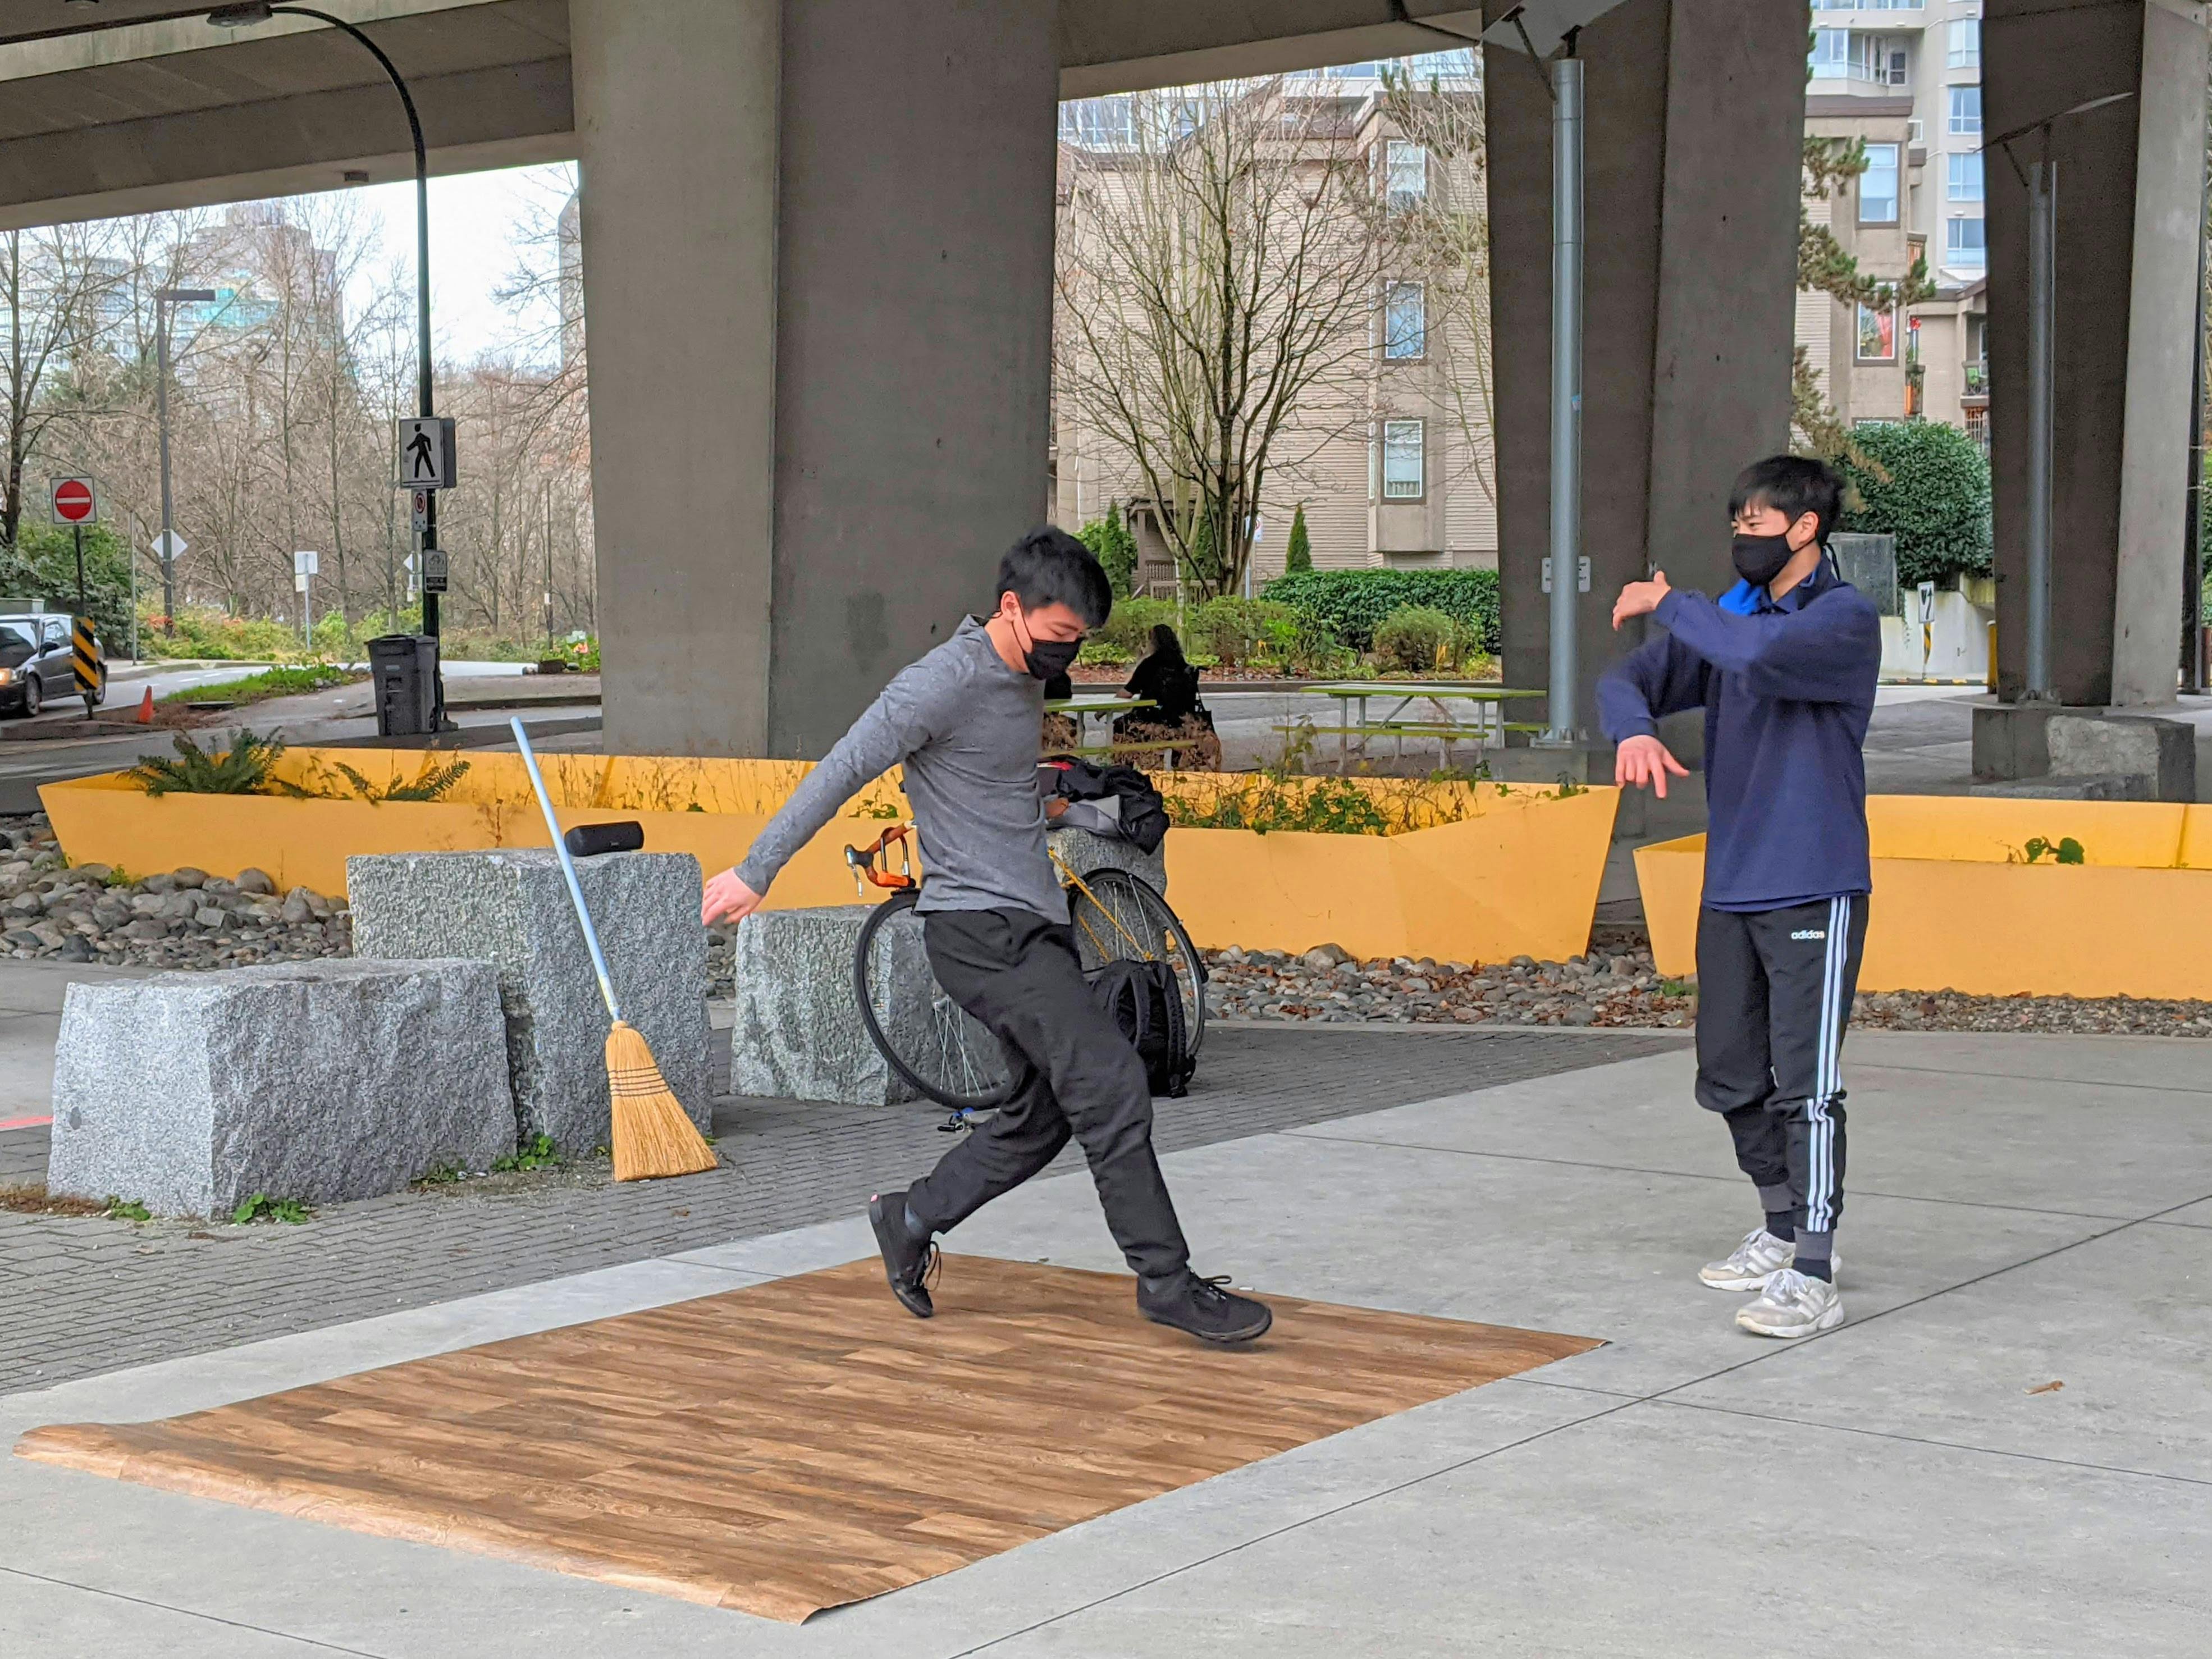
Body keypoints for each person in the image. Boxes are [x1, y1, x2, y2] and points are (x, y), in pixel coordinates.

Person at [701, 528, 1271, 1345]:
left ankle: (910, 1217)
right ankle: (1166, 1282)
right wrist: (758, 869)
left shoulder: (1020, 674)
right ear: (1012, 609)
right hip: (976, 931)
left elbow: (987, 779)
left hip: (1032, 923)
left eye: (1078, 645)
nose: (1065, 661)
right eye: (1058, 641)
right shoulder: (940, 683)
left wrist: (1059, 803)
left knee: (1043, 1115)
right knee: (1109, 1079)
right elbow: (843, 766)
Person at [1598, 455, 1881, 1340]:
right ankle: (1778, 1220)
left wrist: (1670, 603)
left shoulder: (1841, 620)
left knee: (1808, 1085)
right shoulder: (1732, 617)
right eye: (1734, 524)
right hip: (1733, 886)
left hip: (1814, 880)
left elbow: (1751, 653)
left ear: (1806, 529)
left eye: (1755, 525)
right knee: (1726, 1071)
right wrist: (1634, 730)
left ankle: (1814, 1267)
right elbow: (1628, 681)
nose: (1740, 538)